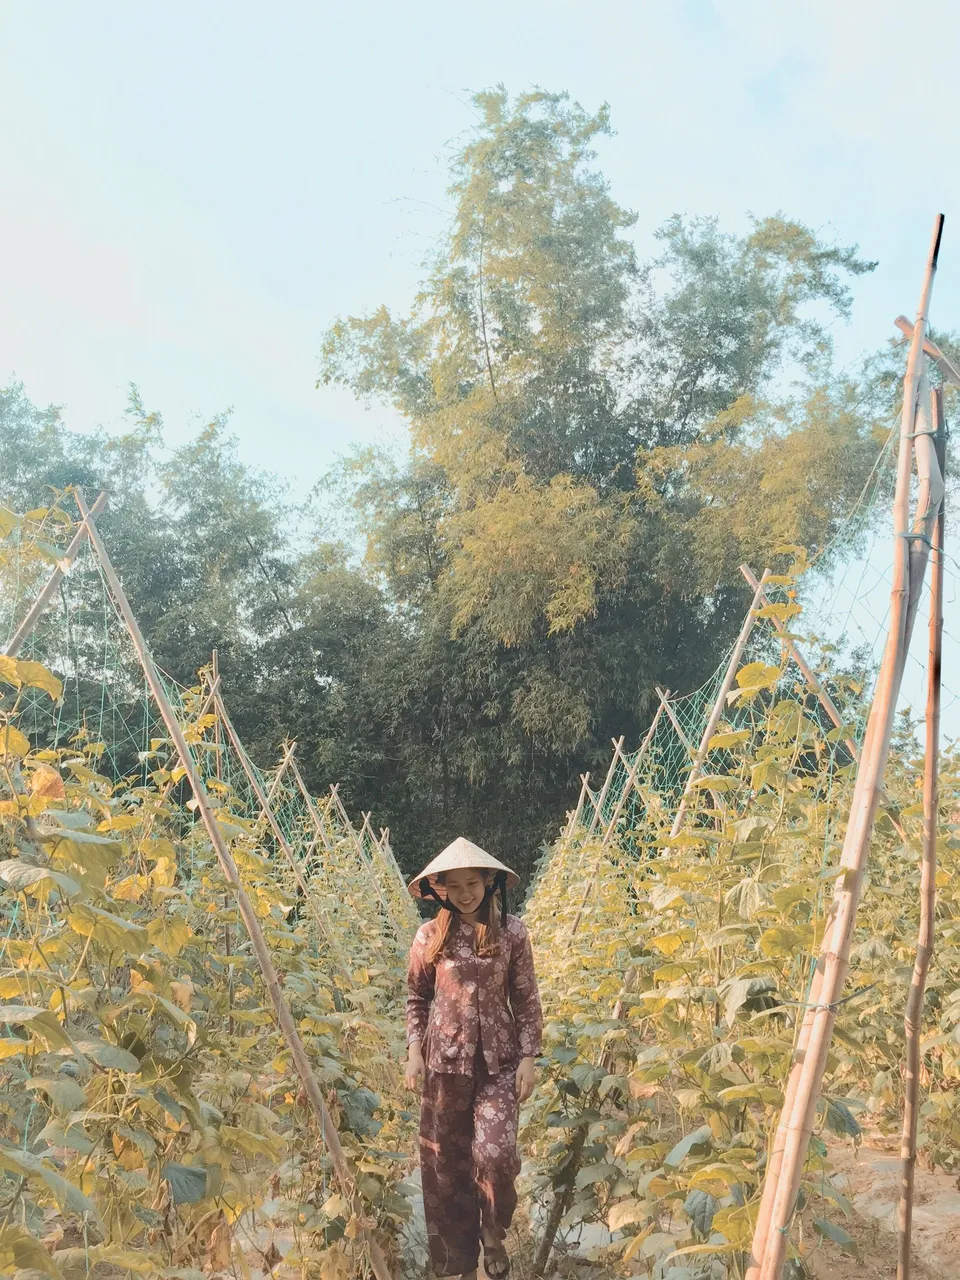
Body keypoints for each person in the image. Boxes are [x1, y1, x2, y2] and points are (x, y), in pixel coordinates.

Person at [404, 837, 543, 1280]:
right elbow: (416, 997)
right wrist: (413, 1053)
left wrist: (528, 1058)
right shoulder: (429, 936)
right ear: (440, 888)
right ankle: (458, 1262)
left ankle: (494, 1229)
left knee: (495, 1153)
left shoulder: (512, 933)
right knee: (447, 1164)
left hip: (498, 1064)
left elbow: (525, 1000)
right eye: (454, 885)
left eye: (472, 883)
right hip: (444, 1063)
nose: (465, 893)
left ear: (488, 881)